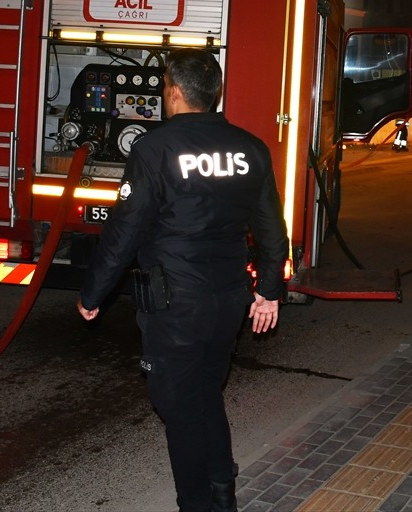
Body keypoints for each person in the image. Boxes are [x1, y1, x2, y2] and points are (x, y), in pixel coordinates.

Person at [77, 48, 289, 512]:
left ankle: (196, 503)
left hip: (175, 304)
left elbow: (125, 228)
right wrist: (269, 291)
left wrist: (94, 291)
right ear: (215, 93)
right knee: (205, 395)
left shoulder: (154, 149)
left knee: (178, 407)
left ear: (172, 92)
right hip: (229, 300)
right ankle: (222, 492)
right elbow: (273, 230)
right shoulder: (251, 149)